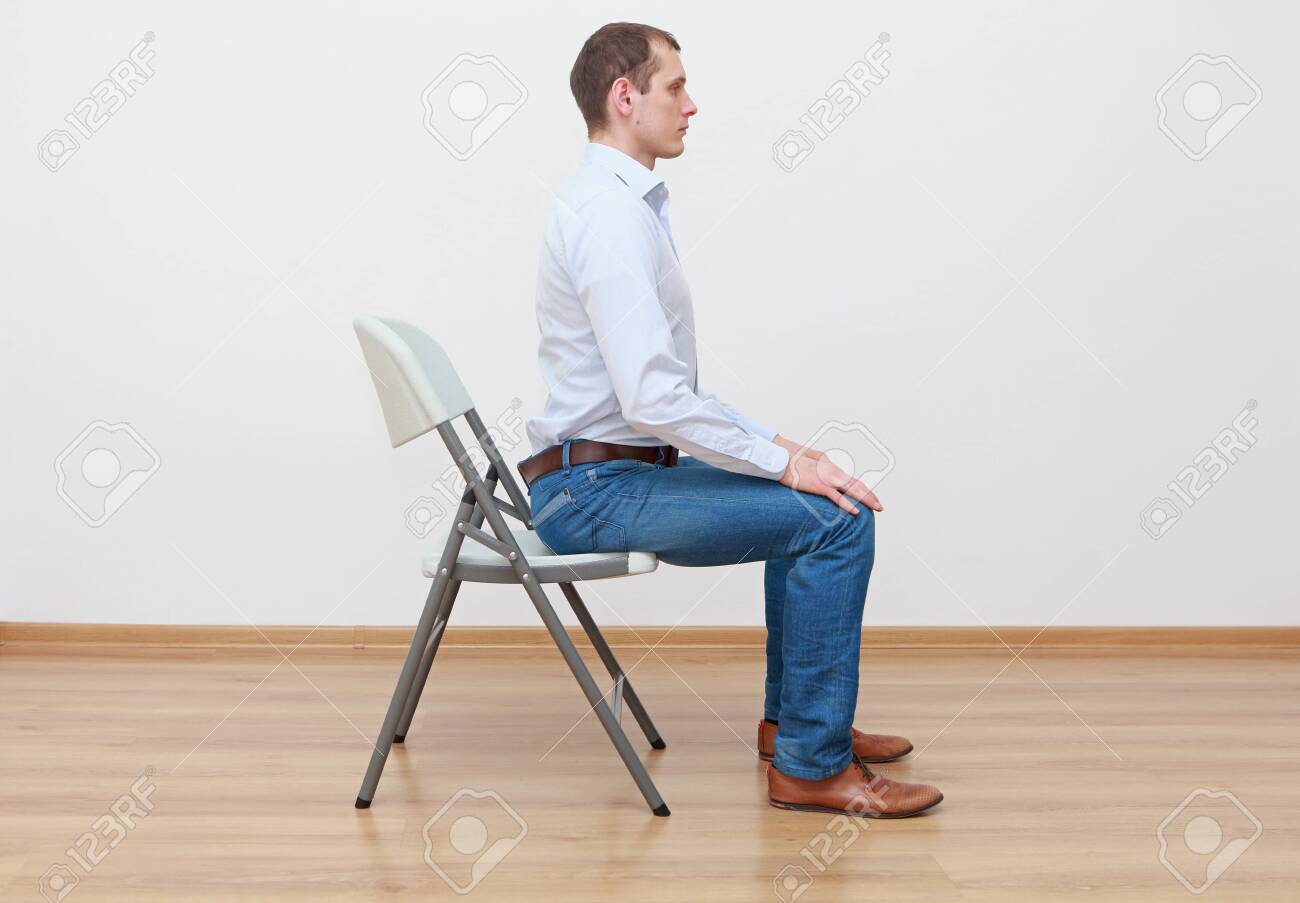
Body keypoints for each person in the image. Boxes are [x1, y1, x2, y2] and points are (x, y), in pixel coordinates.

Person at [518, 22, 942, 818]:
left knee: (813, 498)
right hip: (594, 490)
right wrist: (781, 462)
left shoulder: (619, 205)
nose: (691, 105)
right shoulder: (608, 217)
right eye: (675, 87)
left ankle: (797, 727)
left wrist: (783, 450)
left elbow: (667, 391)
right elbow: (653, 401)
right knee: (836, 522)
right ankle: (811, 767)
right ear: (625, 96)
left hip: (605, 475)